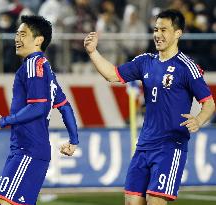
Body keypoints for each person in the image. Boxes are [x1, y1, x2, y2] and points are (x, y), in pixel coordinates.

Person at [84, 9, 215, 205]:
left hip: (170, 146)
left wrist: (198, 120)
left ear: (178, 33)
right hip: (144, 145)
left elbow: (209, 103)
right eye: (155, 29)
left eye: (164, 29)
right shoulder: (146, 61)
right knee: (131, 202)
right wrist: (93, 52)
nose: (157, 34)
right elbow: (113, 75)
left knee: (155, 201)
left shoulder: (187, 67)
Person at [0, 15, 79, 205]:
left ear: (38, 40)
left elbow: (38, 106)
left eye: (23, 34)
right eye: (16, 34)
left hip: (27, 150)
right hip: (28, 150)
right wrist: (73, 140)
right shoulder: (47, 70)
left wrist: (3, 121)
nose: (17, 39)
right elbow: (65, 107)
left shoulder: (33, 64)